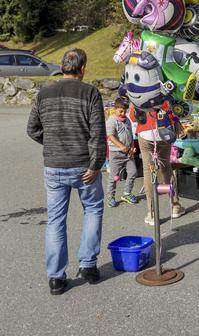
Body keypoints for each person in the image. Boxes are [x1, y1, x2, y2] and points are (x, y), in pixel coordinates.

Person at [27, 48, 106, 296]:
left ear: (62, 67)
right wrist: (96, 164)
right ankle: (88, 265)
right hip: (84, 166)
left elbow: (32, 129)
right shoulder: (90, 92)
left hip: (54, 166)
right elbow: (97, 134)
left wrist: (51, 143)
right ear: (82, 69)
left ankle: (56, 278)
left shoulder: (44, 93)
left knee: (55, 220)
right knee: (93, 209)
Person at [134, 105, 185, 226]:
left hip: (145, 131)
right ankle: (175, 205)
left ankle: (151, 213)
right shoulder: (162, 94)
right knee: (166, 166)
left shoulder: (137, 93)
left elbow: (132, 115)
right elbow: (172, 109)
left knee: (148, 170)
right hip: (163, 131)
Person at [106, 97, 138, 207]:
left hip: (128, 153)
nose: (123, 113)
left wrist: (132, 147)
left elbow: (130, 135)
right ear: (115, 109)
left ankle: (127, 193)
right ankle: (111, 196)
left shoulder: (127, 120)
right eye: (121, 111)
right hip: (116, 153)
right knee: (114, 176)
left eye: (125, 111)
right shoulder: (112, 121)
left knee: (133, 172)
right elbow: (110, 136)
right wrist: (121, 146)